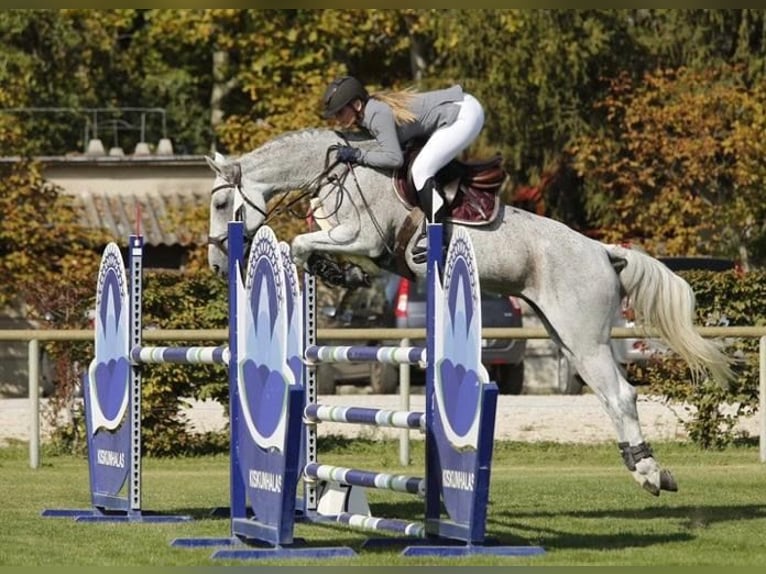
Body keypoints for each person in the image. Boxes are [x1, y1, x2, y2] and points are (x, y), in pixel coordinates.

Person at [321, 75, 485, 259]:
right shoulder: (368, 114)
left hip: (463, 114)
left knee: (421, 170)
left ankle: (438, 242)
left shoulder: (376, 114)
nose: (337, 119)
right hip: (459, 109)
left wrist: (358, 155)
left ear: (357, 105)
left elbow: (393, 159)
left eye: (340, 112)